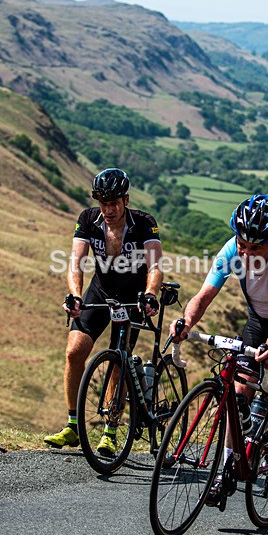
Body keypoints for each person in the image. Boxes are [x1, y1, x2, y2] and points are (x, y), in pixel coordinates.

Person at [170, 193, 268, 505]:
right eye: (243, 244)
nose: (247, 252)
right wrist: (186, 322)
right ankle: (227, 468)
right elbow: (204, 295)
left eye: (256, 248)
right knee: (237, 395)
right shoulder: (231, 250)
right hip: (258, 318)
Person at [44, 168, 163, 456]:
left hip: (133, 298)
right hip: (101, 292)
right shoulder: (88, 219)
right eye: (103, 203)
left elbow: (156, 266)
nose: (108, 210)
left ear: (126, 200)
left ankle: (110, 431)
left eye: (114, 204)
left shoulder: (144, 223)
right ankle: (73, 425)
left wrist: (150, 293)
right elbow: (76, 263)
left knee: (118, 361)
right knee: (74, 352)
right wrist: (75, 295)